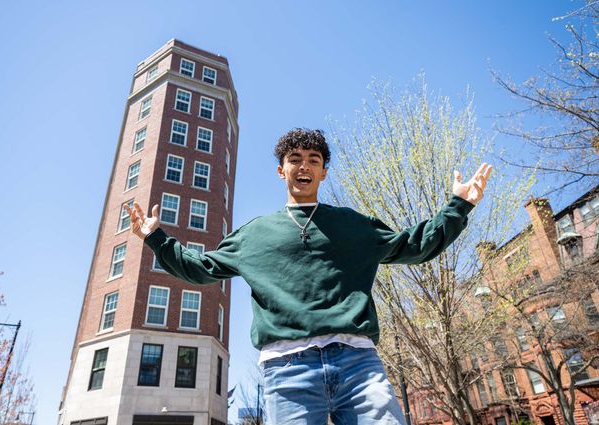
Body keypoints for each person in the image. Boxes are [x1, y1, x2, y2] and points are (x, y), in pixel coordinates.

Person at [125, 128, 492, 425]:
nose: (304, 166)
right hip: (287, 369)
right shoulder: (254, 235)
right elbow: (200, 269)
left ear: (323, 172)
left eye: (313, 161)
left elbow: (415, 245)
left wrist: (458, 206)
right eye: (295, 160)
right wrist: (156, 237)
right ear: (281, 170)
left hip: (358, 363)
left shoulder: (352, 225)